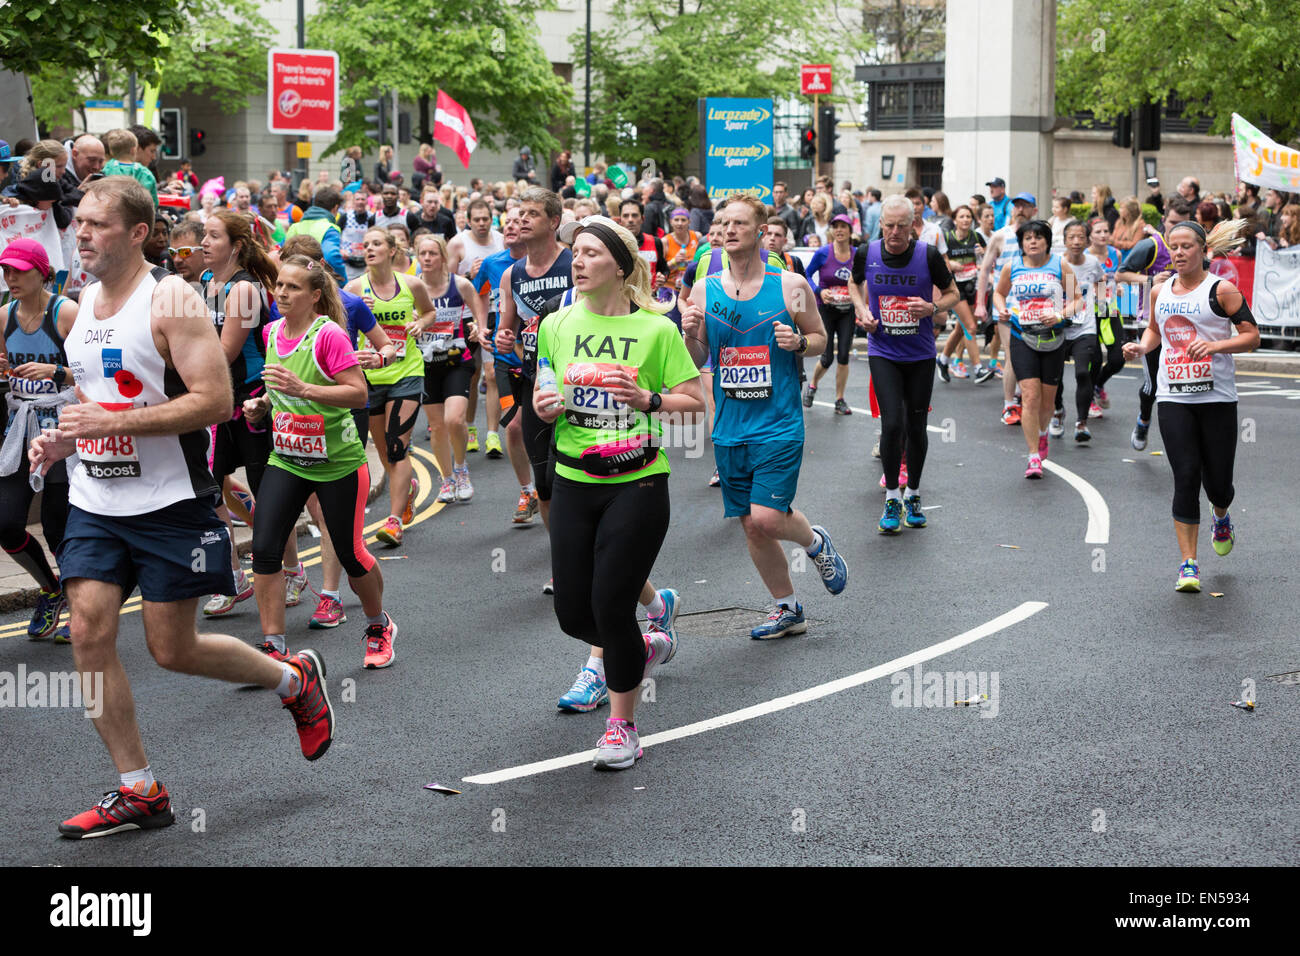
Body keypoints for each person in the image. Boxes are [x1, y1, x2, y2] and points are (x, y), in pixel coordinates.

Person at [32, 178, 335, 839]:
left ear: (138, 233)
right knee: (87, 632)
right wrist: (60, 439)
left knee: (171, 649)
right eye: (77, 222)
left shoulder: (169, 298)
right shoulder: (79, 305)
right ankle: (138, 789)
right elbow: (95, 400)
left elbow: (216, 401)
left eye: (97, 224)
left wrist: (112, 421)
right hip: (96, 498)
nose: (80, 233)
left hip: (170, 500)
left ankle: (293, 680)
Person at [531, 217, 702, 766]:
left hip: (639, 481)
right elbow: (545, 382)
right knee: (572, 613)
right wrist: (543, 403)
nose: (577, 262)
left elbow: (694, 401)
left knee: (610, 605)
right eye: (574, 252)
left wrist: (648, 400)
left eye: (590, 254)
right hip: (574, 478)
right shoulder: (557, 324)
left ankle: (621, 728)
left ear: (621, 268)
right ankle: (646, 644)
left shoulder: (657, 330)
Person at [681, 193, 848, 639]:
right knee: (752, 525)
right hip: (730, 424)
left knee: (769, 517)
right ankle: (787, 607)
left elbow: (819, 339)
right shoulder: (704, 290)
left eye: (738, 223)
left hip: (778, 420)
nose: (728, 230)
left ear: (760, 232)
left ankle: (815, 542)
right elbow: (699, 356)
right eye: (722, 223)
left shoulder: (791, 285)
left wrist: (798, 343)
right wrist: (691, 334)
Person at [241, 254, 396, 666]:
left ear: (314, 295)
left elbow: (357, 393)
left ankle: (379, 625)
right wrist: (262, 405)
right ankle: (274, 646)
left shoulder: (327, 335)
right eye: (279, 286)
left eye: (292, 287)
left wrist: (304, 389)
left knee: (350, 553)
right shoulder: (272, 333)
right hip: (287, 458)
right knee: (264, 548)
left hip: (338, 462)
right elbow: (281, 390)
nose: (282, 293)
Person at [1121, 219, 1255, 592]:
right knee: (1185, 475)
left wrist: (1214, 346)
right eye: (1174, 247)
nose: (1178, 253)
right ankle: (1188, 564)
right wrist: (1142, 346)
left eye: (1186, 247)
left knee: (1218, 484)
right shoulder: (1159, 292)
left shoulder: (1222, 290)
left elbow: (1252, 336)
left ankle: (1222, 514)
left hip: (1217, 398)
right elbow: (1154, 330)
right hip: (1174, 396)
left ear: (1202, 250)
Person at [850, 196, 959, 529]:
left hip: (921, 354)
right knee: (892, 424)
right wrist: (862, 310)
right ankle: (892, 499)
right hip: (883, 350)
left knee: (915, 427)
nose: (894, 232)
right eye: (888, 225)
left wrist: (933, 308)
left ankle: (913, 492)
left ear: (914, 225)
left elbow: (953, 293)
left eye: (901, 225)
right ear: (880, 223)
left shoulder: (927, 255)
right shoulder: (867, 253)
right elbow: (854, 283)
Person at [198, 210, 283, 616]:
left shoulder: (244, 290)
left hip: (251, 399)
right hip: (216, 398)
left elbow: (225, 351)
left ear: (235, 245)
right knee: (211, 487)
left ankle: (293, 568)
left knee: (266, 489)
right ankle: (233, 576)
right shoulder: (205, 283)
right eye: (202, 234)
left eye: (212, 235)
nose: (203, 241)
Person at [0, 238, 78, 641]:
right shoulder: (3, 316)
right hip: (20, 427)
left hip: (63, 426)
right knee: (6, 523)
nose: (10, 277)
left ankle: (79, 606)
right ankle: (51, 589)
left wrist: (56, 373)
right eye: (6, 270)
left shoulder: (65, 313)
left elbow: (94, 373)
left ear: (41, 270)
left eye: (18, 270)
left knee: (58, 522)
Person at [344, 228, 438, 546]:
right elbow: (336, 327)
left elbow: (429, 312)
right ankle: (406, 487)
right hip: (368, 377)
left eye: (376, 244)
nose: (369, 249)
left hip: (406, 372)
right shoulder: (354, 289)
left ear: (391, 249)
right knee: (384, 451)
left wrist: (419, 324)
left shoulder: (411, 284)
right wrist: (356, 311)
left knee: (398, 447)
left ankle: (394, 520)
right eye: (365, 245)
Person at [992, 219, 1085, 478]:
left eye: (1038, 237)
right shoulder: (1013, 267)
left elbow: (1078, 300)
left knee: (1047, 400)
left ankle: (1043, 433)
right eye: (1027, 238)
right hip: (1022, 336)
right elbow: (999, 293)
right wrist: (1002, 308)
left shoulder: (1059, 265)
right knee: (1030, 396)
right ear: (1022, 244)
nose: (1032, 242)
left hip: (1053, 337)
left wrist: (1059, 315)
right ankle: (1033, 455)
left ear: (1047, 242)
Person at [415, 233, 483, 503]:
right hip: (426, 364)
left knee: (453, 419)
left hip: (456, 361)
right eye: (423, 254)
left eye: (433, 253)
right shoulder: (411, 286)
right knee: (437, 426)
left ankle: (461, 468)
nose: (428, 258)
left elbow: (479, 312)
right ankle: (446, 480)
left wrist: (478, 328)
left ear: (443, 257)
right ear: (417, 257)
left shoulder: (460, 284)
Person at [976, 192, 1038, 424]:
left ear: (1034, 209)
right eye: (1017, 206)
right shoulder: (1001, 236)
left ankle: (1024, 397)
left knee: (1034, 355)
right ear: (1012, 209)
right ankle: (1009, 405)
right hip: (1007, 307)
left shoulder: (1040, 236)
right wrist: (981, 304)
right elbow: (984, 269)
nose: (1020, 209)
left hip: (1035, 307)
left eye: (1026, 206)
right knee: (1012, 354)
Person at [1053, 220, 1105, 441]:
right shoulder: (1055, 263)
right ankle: (1057, 411)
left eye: (1080, 237)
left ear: (1087, 240)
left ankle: (1081, 423)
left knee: (1083, 372)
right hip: (1058, 327)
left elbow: (1101, 281)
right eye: (1071, 237)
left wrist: (1102, 309)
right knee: (1054, 377)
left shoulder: (1092, 262)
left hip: (1086, 326)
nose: (1076, 241)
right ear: (1064, 240)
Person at [802, 214, 857, 414]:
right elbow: (806, 274)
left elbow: (862, 280)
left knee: (843, 355)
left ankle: (839, 399)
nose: (840, 230)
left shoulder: (857, 254)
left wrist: (861, 304)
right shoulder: (824, 253)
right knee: (827, 358)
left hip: (847, 311)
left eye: (844, 227)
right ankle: (813, 385)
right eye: (836, 227)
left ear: (850, 231)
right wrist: (819, 291)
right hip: (826, 309)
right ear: (832, 231)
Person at [936, 204, 994, 385]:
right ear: (955, 220)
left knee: (961, 328)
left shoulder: (976, 236)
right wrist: (950, 264)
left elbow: (989, 260)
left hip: (972, 287)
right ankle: (978, 368)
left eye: (968, 216)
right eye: (961, 217)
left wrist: (983, 254)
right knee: (970, 327)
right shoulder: (947, 238)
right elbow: (936, 260)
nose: (965, 220)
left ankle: (943, 360)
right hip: (953, 289)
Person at [1084, 217, 1125, 412]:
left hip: (1111, 310)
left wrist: (1118, 287)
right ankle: (1089, 396)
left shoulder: (1116, 253)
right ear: (1090, 235)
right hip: (1090, 312)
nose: (1103, 235)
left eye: (1106, 231)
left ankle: (1099, 384)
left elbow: (1118, 277)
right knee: (1094, 359)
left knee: (1118, 358)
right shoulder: (1083, 256)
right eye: (1098, 232)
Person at [284, 186, 346, 282]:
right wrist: (343, 282)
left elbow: (280, 252)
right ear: (335, 208)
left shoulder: (294, 227)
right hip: (315, 283)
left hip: (291, 281)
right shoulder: (330, 229)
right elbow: (331, 256)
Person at [100, 129, 158, 207]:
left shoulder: (107, 168)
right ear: (134, 150)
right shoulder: (145, 173)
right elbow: (153, 201)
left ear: (111, 151)